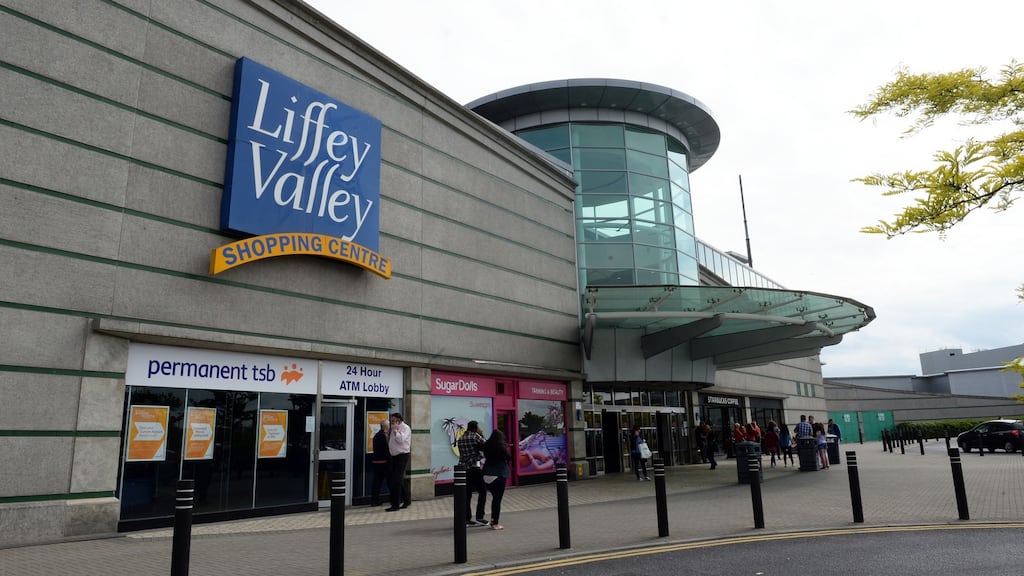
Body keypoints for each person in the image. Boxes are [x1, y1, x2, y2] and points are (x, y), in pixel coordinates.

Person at [455, 420, 487, 526]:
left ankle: (466, 519)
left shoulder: (461, 438)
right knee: (482, 491)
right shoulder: (475, 436)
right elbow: (486, 445)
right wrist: (481, 434)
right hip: (474, 467)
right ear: (475, 428)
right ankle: (480, 516)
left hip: (463, 468)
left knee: (467, 494)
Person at [481, 429, 512, 530]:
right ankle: (495, 523)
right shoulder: (502, 447)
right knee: (497, 500)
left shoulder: (486, 446)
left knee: (494, 497)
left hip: (486, 474)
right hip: (499, 474)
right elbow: (509, 457)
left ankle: (493, 521)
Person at [385, 412, 412, 511]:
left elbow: (401, 440)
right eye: (392, 421)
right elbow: (392, 441)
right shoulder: (393, 428)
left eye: (394, 421)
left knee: (396, 480)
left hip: (402, 455)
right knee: (397, 479)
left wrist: (396, 431)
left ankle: (395, 504)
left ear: (399, 420)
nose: (392, 423)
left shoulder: (405, 428)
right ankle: (406, 500)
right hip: (394, 456)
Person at [369, 421, 390, 506]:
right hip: (383, 462)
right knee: (390, 481)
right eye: (388, 425)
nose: (389, 427)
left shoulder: (376, 435)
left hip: (376, 462)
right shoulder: (384, 436)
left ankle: (374, 500)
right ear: (385, 426)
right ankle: (396, 498)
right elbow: (386, 449)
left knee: (377, 482)